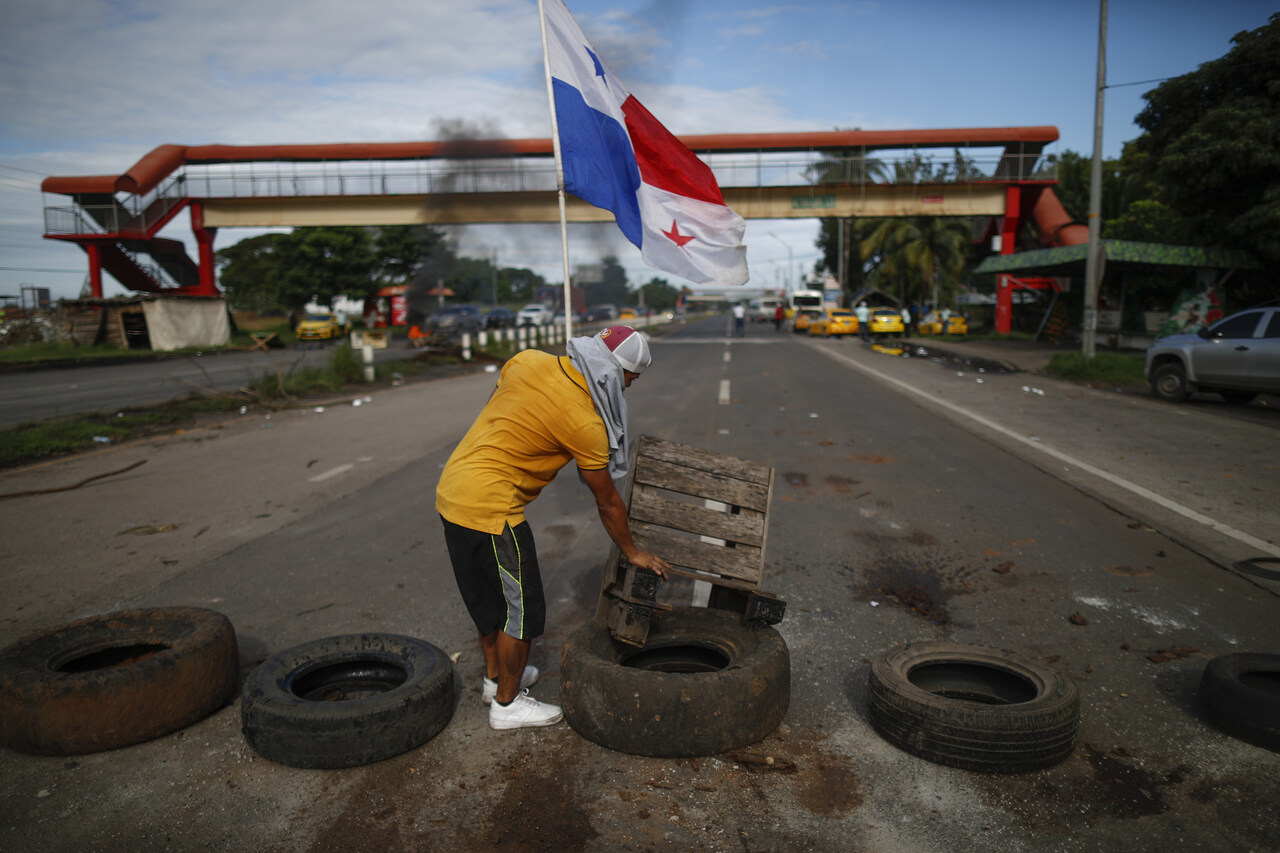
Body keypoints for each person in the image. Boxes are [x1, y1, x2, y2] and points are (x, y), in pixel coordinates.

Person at [436, 325, 671, 731]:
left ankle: (495, 682)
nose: (630, 386)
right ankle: (507, 707)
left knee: (488, 599)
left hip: (452, 489)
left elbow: (497, 412)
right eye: (632, 377)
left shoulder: (527, 360)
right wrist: (633, 551)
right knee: (522, 612)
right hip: (494, 508)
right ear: (613, 372)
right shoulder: (585, 422)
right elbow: (607, 500)